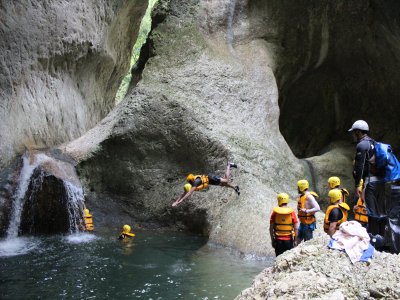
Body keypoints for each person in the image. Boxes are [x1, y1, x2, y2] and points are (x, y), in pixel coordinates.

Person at [348, 120, 386, 236]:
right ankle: (381, 238)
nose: (353, 135)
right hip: (380, 182)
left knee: (371, 211)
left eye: (354, 132)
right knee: (380, 210)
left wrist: (357, 184)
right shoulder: (374, 143)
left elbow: (359, 167)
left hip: (370, 183)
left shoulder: (362, 145)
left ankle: (373, 239)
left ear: (358, 132)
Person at [172, 162, 240, 207]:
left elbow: (189, 193)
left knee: (226, 180)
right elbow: (184, 193)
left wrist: (180, 202)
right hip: (209, 181)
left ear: (191, 180)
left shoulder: (196, 182)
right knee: (223, 184)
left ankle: (229, 165)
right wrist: (176, 201)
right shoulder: (191, 184)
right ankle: (234, 187)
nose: (189, 183)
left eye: (189, 181)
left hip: (211, 178)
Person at [296, 179, 320, 244]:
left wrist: (307, 211)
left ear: (301, 187)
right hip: (303, 223)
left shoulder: (309, 196)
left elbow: (317, 208)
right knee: (297, 240)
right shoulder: (302, 196)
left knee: (308, 242)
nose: (297, 189)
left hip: (308, 224)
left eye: (298, 187)